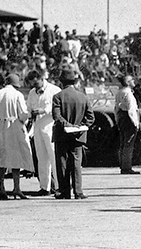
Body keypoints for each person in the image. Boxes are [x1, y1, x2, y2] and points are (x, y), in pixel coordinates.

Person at [0, 73, 33, 200]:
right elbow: (22, 114)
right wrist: (25, 121)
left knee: (1, 157)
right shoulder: (18, 95)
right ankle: (16, 188)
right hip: (14, 127)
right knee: (16, 158)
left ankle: (2, 188)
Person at [52, 70, 95, 200]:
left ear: (61, 82)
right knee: (77, 163)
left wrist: (68, 126)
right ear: (75, 81)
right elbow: (91, 117)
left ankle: (65, 191)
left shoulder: (58, 96)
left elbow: (56, 116)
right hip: (79, 135)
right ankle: (78, 191)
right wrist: (80, 126)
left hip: (62, 134)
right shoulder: (83, 97)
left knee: (62, 163)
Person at [25, 71, 60, 196]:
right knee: (41, 158)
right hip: (37, 127)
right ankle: (45, 187)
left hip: (50, 126)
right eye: (32, 84)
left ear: (41, 79)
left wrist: (44, 110)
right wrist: (30, 113)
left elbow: (58, 107)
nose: (35, 86)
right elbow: (28, 108)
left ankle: (59, 187)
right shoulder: (32, 93)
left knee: (54, 157)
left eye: (36, 83)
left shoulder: (54, 90)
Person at [116, 75, 141, 175]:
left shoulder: (119, 92)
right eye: (132, 80)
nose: (134, 82)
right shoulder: (128, 94)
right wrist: (136, 123)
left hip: (121, 117)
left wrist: (117, 119)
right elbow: (131, 109)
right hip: (128, 118)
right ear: (128, 82)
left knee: (123, 143)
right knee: (129, 143)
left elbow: (116, 107)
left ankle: (122, 165)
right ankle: (127, 167)